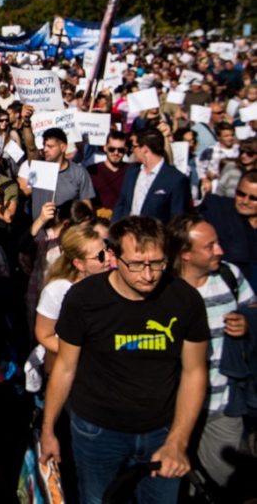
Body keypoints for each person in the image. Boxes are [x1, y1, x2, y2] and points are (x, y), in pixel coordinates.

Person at [40, 216, 209, 504]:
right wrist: (48, 429)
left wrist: (178, 442)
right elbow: (65, 367)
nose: (148, 274)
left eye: (157, 263)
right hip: (97, 433)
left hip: (162, 432)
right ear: (114, 257)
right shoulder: (83, 299)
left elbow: (194, 371)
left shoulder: (185, 300)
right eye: (136, 264)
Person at [167, 214, 255, 491]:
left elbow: (252, 309)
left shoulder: (230, 276)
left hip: (223, 406)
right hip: (171, 411)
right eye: (210, 246)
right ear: (185, 254)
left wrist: (248, 323)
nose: (220, 250)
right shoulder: (164, 290)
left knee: (230, 487)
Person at [34, 222, 112, 357]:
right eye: (100, 256)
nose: (108, 258)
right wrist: (80, 354)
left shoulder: (113, 281)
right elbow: (44, 335)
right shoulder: (57, 290)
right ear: (79, 264)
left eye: (107, 250)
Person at [112, 127, 190, 223]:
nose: (132, 150)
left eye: (134, 146)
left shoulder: (176, 180)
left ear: (145, 150)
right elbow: (121, 204)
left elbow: (177, 219)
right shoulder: (132, 171)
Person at [200, 170, 257, 290]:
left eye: (253, 198)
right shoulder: (218, 211)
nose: (245, 201)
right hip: (228, 289)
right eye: (240, 194)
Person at [30, 128, 95, 221]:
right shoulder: (38, 169)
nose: (45, 149)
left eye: (50, 146)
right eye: (44, 145)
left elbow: (86, 205)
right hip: (40, 230)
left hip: (68, 230)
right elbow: (30, 148)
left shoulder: (79, 172)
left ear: (63, 147)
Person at [87, 129, 130, 216]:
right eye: (112, 149)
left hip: (123, 219)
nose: (116, 153)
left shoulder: (131, 171)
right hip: (98, 220)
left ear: (126, 150)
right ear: (105, 148)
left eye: (120, 150)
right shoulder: (92, 171)